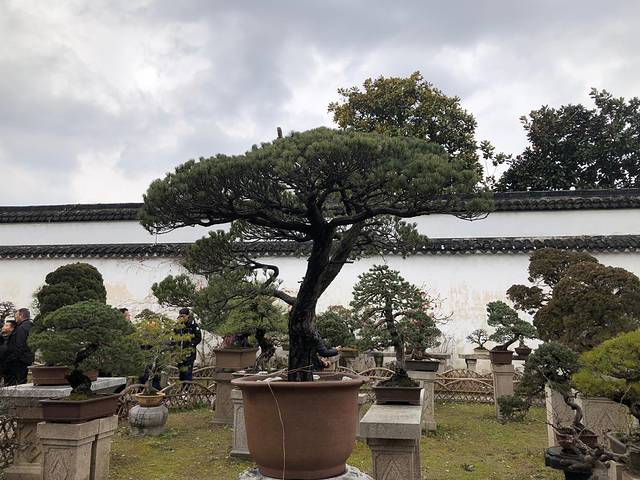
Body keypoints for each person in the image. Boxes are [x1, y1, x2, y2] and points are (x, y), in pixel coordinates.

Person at [6, 308, 35, 385]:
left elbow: (19, 345)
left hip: (19, 360)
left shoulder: (22, 328)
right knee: (22, 380)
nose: (15, 317)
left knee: (17, 382)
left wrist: (11, 358)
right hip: (27, 358)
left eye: (16, 315)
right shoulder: (31, 326)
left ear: (21, 315)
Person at [174, 308, 202, 381]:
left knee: (187, 373)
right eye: (180, 316)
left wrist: (191, 345)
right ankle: (183, 386)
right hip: (180, 353)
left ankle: (187, 387)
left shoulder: (193, 325)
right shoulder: (178, 326)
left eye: (183, 316)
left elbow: (198, 338)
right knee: (181, 374)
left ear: (187, 316)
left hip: (189, 353)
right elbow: (174, 337)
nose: (181, 318)